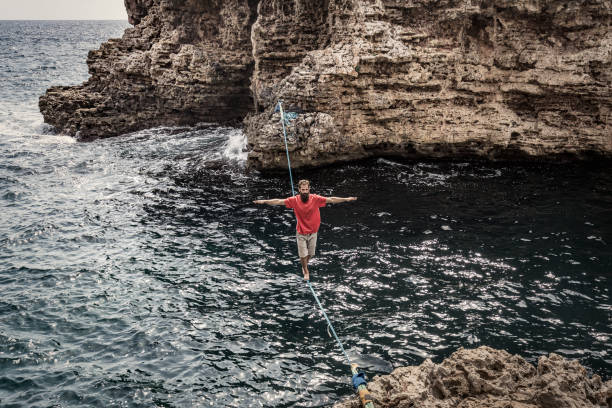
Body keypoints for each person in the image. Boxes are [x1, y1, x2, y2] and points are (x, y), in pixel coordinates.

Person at [253, 179, 357, 281]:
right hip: (301, 232)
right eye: (303, 189)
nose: (305, 191)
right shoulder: (294, 200)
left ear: (309, 189)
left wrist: (346, 199)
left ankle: (304, 264)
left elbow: (332, 199)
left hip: (313, 232)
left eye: (306, 189)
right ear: (299, 190)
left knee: (311, 254)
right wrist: (264, 201)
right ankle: (306, 270)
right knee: (302, 255)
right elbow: (279, 201)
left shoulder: (315, 198)